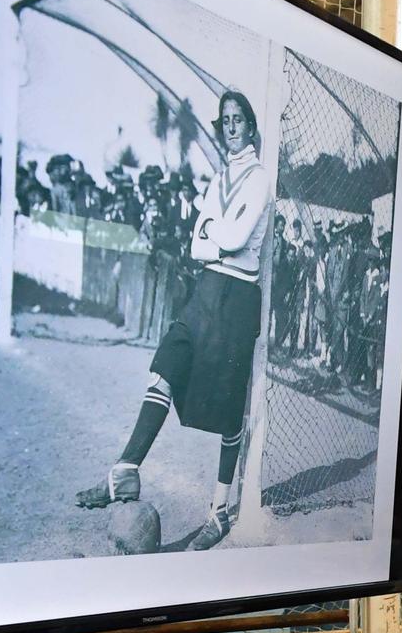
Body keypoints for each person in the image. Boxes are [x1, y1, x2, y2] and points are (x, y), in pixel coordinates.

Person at [75, 90, 274, 551]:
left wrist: (213, 233)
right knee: (167, 365)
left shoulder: (259, 179)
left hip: (238, 296)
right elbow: (196, 245)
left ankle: (219, 512)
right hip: (206, 289)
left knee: (229, 411)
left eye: (238, 118)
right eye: (224, 119)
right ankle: (125, 472)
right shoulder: (219, 178)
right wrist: (214, 237)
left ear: (251, 126)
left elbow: (236, 235)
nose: (230, 126)